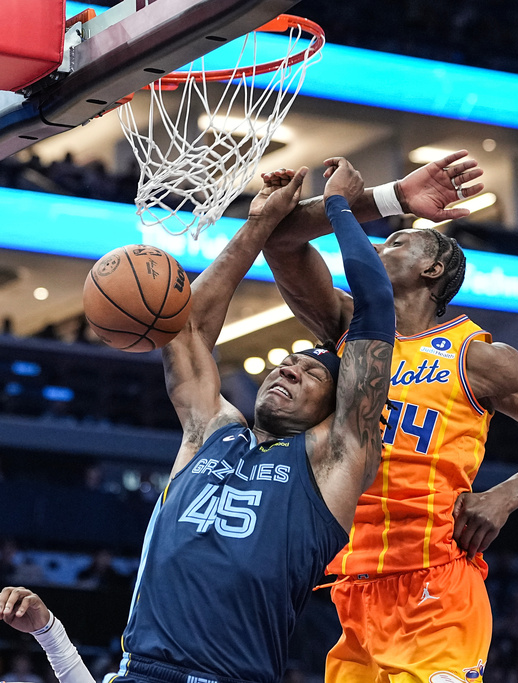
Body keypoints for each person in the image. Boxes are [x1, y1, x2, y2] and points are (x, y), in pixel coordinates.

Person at [261, 151, 518, 681]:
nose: (377, 245)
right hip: (353, 588)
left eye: (396, 241)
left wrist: (504, 496)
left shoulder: (476, 356)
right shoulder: (348, 325)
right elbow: (281, 240)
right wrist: (386, 198)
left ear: (433, 267)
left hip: (436, 585)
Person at [115, 158, 396, 683]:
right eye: (288, 361)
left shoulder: (335, 458)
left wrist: (340, 208)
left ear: (337, 409)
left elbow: (375, 313)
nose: (289, 367)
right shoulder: (211, 433)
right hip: (139, 673)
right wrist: (258, 224)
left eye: (311, 372)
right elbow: (188, 327)